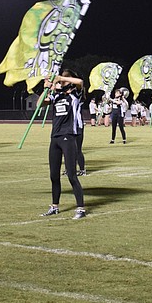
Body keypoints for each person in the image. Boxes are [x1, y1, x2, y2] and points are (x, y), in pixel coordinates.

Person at [40, 70, 87, 219]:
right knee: (54, 175)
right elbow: (40, 103)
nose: (61, 82)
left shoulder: (75, 95)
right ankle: (54, 206)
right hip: (55, 137)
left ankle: (81, 209)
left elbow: (80, 82)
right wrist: (46, 88)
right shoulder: (57, 96)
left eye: (65, 80)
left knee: (72, 175)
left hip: (68, 137)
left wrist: (60, 78)